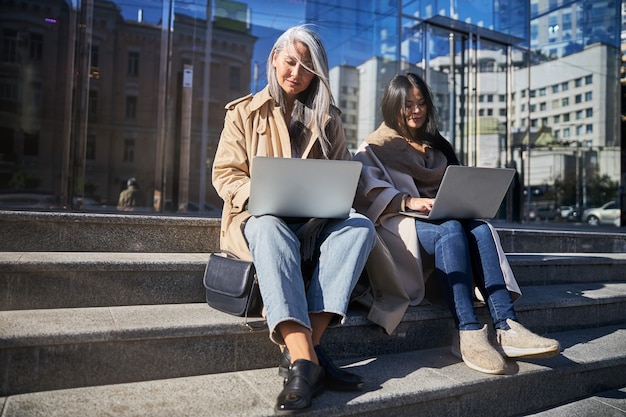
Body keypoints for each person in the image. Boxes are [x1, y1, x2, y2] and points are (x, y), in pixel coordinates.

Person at [211, 25, 376, 415]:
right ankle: (307, 360)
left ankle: (305, 356)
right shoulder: (243, 113)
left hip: (312, 225)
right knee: (269, 225)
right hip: (259, 220)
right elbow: (225, 174)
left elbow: (343, 177)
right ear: (274, 59)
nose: (296, 73)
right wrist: (259, 195)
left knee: (360, 228)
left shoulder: (329, 119)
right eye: (291, 62)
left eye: (307, 67)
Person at [353, 73, 560, 375]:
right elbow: (365, 192)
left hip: (443, 222)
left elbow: (456, 185)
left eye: (421, 103)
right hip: (402, 227)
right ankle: (467, 331)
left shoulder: (438, 147)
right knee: (450, 229)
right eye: (407, 104)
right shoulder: (375, 146)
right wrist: (407, 201)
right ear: (392, 105)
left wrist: (468, 198)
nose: (415, 110)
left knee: (480, 228)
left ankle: (506, 326)